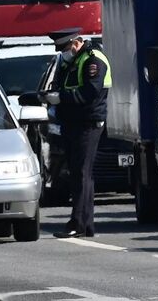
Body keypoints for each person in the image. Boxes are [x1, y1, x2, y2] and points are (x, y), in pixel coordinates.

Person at [42, 27, 111, 238]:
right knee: (79, 174)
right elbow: (61, 86)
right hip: (72, 123)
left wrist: (61, 98)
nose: (63, 52)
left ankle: (78, 223)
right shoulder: (67, 61)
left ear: (76, 42)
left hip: (89, 123)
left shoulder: (93, 59)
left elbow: (90, 92)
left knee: (81, 173)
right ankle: (86, 224)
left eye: (65, 48)